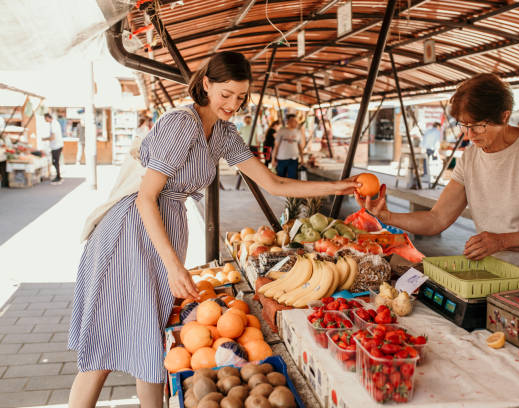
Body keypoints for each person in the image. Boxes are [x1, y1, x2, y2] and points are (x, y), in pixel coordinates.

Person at [67, 51, 359, 408]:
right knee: (104, 344)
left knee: (148, 340)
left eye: (240, 97)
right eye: (226, 95)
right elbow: (146, 198)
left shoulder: (222, 133)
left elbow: (274, 183)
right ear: (206, 84)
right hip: (133, 229)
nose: (233, 104)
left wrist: (338, 188)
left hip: (163, 231)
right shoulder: (182, 123)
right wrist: (174, 266)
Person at [357, 73, 519, 295]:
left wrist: (501, 241)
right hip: (500, 280)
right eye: (464, 125)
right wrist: (386, 216)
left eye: (479, 126)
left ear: (505, 116)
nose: (470, 135)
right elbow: (436, 219)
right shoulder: (470, 158)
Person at [271, 114, 303, 179]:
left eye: (296, 121)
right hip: (282, 158)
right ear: (288, 122)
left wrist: (302, 158)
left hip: (294, 159)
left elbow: (300, 146)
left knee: (293, 178)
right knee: (280, 178)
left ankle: (291, 189)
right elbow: (276, 146)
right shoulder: (281, 131)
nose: (296, 123)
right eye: (294, 121)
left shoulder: (298, 132)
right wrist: (273, 159)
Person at [43, 113, 64, 184]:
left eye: (45, 118)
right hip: (56, 146)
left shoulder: (54, 124)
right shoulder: (53, 123)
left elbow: (53, 137)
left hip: (56, 146)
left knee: (55, 162)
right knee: (55, 162)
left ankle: (58, 176)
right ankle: (58, 176)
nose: (45, 120)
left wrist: (44, 139)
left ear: (47, 117)